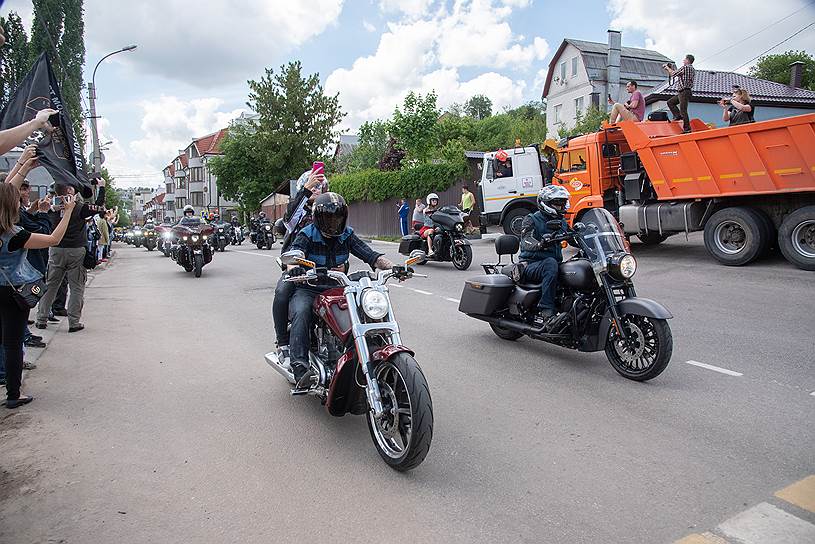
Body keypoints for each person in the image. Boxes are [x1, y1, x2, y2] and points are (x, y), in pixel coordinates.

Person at [285, 192, 394, 389]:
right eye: (329, 218)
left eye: (338, 218)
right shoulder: (307, 234)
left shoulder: (347, 235)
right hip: (310, 287)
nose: (334, 222)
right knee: (301, 312)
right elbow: (295, 255)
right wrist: (295, 266)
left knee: (365, 311)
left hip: (337, 287)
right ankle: (300, 367)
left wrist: (392, 267)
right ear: (318, 218)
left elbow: (370, 254)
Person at [0, 183, 76, 408]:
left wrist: (23, 163)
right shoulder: (16, 235)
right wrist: (68, 211)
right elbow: (54, 239)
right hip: (13, 292)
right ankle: (14, 394)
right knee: (13, 344)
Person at [34, 176, 106, 333]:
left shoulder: (52, 208)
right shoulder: (79, 207)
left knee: (51, 285)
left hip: (56, 250)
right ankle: (74, 322)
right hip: (76, 251)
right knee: (77, 287)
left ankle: (41, 319)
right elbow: (98, 206)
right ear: (69, 191)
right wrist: (101, 187)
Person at [272, 168, 329, 366]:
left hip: (325, 268)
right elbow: (289, 217)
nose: (316, 190)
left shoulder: (328, 210)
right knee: (282, 292)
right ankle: (283, 343)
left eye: (319, 187)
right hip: (296, 267)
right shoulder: (297, 212)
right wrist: (305, 191)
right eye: (313, 186)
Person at [519, 185, 571, 328]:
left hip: (552, 263)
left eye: (563, 203)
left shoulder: (562, 222)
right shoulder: (531, 219)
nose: (561, 207)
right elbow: (526, 241)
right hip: (530, 264)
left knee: (578, 265)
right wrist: (540, 244)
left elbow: (574, 237)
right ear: (545, 204)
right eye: (557, 204)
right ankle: (546, 311)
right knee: (550, 263)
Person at [664, 54, 696, 133]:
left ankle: (687, 128)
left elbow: (673, 74)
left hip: (684, 91)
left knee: (683, 110)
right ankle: (677, 116)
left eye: (684, 59)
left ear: (688, 60)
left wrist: (667, 68)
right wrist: (672, 69)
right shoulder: (691, 69)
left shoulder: (686, 67)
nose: (683, 61)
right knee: (670, 102)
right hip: (685, 91)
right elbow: (677, 73)